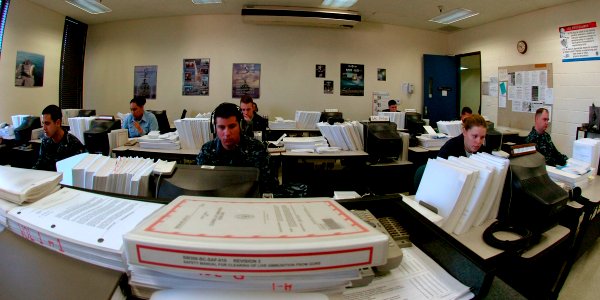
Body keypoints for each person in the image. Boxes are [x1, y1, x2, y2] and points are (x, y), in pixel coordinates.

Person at [197, 102, 278, 193]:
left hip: (250, 202)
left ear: (241, 126)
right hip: (217, 202)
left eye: (232, 126)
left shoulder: (257, 148)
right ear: (215, 128)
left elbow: (270, 187)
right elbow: (202, 187)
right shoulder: (207, 150)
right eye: (221, 127)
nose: (227, 133)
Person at [33, 105, 85, 171]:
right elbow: (39, 166)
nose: (44, 128)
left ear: (57, 123)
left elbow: (76, 173)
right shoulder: (45, 141)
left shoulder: (73, 144)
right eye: (43, 124)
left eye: (47, 123)